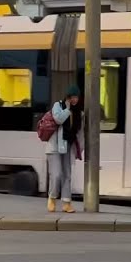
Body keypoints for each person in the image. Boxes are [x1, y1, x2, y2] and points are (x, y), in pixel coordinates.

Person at [45, 85, 83, 213]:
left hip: (68, 146)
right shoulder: (58, 106)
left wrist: (79, 149)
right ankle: (52, 198)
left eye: (76, 97)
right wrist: (67, 109)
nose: (74, 100)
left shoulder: (78, 112)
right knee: (56, 175)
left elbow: (78, 131)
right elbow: (58, 119)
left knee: (67, 175)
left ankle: (67, 203)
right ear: (67, 97)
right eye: (72, 97)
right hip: (54, 147)